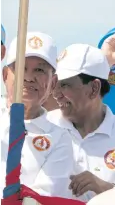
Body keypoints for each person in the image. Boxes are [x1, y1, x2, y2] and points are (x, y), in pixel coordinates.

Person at [47, 43, 115, 202]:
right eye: (54, 85)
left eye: (65, 85)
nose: (56, 94)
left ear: (94, 88)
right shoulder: (44, 126)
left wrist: (103, 188)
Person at [0, 32, 74, 198]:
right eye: (21, 68)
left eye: (39, 70)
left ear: (53, 83)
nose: (28, 77)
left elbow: (43, 197)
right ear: (5, 76)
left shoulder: (59, 139)